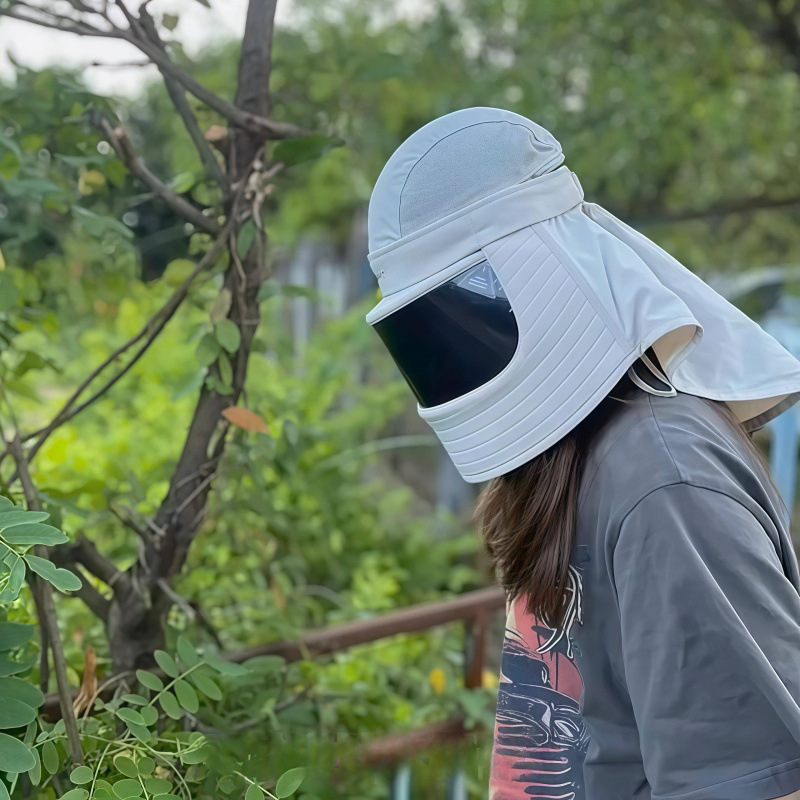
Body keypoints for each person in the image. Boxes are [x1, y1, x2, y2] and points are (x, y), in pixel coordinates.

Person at [364, 107, 800, 800]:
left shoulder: (663, 481)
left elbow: (751, 783)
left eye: (459, 318)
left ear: (544, 271)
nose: (449, 359)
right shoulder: (574, 460)